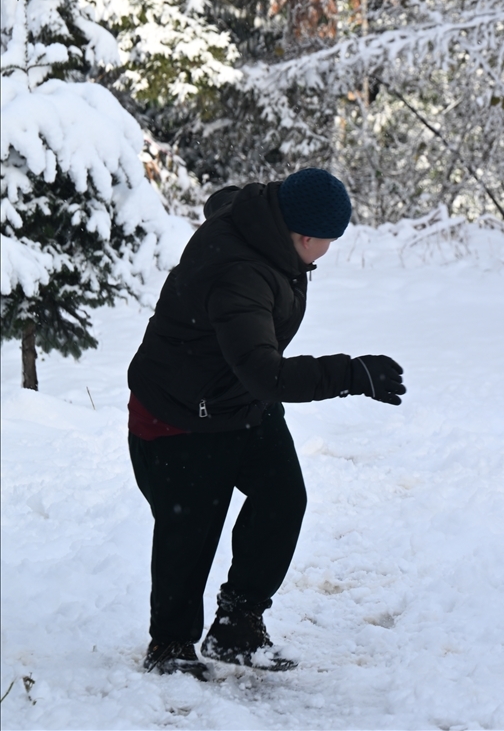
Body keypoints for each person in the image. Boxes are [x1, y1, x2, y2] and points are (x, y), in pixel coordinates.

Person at [127, 168, 406, 679]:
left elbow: (224, 201)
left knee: (282, 498)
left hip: (237, 400)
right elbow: (266, 373)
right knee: (190, 530)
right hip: (179, 413)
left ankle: (237, 625)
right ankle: (170, 646)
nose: (327, 251)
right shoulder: (241, 274)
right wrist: (351, 373)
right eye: (327, 241)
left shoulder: (260, 220)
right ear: (304, 236)